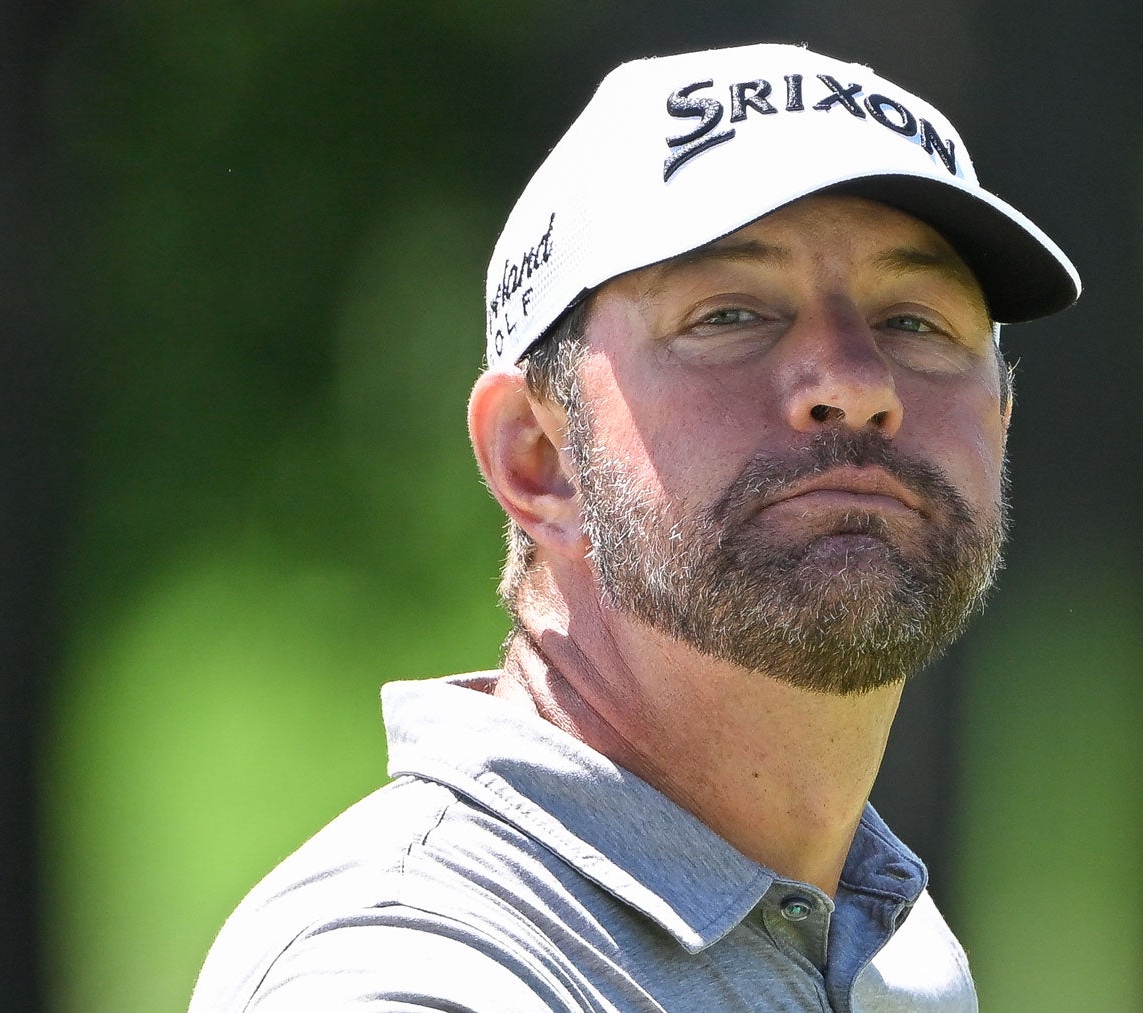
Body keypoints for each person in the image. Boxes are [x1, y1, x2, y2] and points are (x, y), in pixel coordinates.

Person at [189, 42, 1079, 1012]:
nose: (857, 382)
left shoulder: (893, 947)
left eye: (916, 320)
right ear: (539, 455)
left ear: (1000, 422)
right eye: (732, 314)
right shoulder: (416, 965)